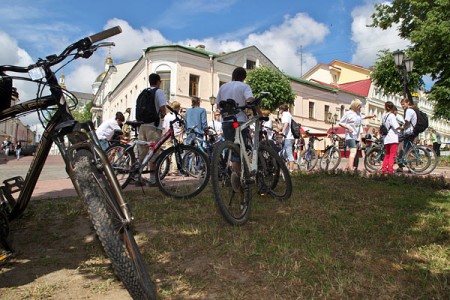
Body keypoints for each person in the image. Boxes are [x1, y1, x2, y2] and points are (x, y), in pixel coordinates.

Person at [136, 73, 167, 185]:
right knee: (154, 153)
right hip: (153, 126)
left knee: (142, 154)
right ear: (158, 81)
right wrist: (163, 115)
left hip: (142, 125)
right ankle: (153, 180)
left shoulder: (144, 91)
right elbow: (163, 108)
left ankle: (138, 177)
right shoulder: (158, 91)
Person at [216, 67, 257, 143]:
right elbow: (250, 100)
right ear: (244, 77)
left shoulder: (223, 86)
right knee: (240, 144)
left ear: (233, 76)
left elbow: (218, 105)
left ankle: (229, 153)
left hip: (226, 121)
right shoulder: (245, 86)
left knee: (229, 144)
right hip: (238, 121)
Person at [338, 99, 375, 171]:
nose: (360, 107)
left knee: (355, 154)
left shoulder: (358, 114)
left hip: (357, 137)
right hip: (350, 136)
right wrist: (348, 127)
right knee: (353, 152)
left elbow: (364, 117)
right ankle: (351, 169)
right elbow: (341, 123)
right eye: (359, 106)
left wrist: (371, 116)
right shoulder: (348, 113)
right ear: (355, 106)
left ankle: (348, 167)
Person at [397, 97, 417, 172]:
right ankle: (408, 166)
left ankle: (406, 166)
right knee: (407, 150)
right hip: (411, 132)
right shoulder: (411, 110)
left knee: (399, 145)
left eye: (403, 104)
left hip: (408, 132)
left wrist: (402, 128)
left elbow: (407, 122)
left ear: (408, 103)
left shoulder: (408, 110)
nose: (402, 106)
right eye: (401, 105)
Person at [381, 101, 400, 174]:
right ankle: (390, 170)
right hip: (393, 137)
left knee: (387, 154)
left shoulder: (384, 116)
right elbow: (396, 126)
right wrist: (402, 127)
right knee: (392, 155)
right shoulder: (392, 116)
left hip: (386, 138)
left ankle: (384, 169)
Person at [279, 104, 296, 172]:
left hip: (288, 137)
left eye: (279, 109)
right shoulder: (289, 114)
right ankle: (285, 169)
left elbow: (286, 123)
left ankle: (291, 170)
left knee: (289, 153)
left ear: (282, 109)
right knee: (284, 153)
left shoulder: (285, 114)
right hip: (291, 137)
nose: (279, 111)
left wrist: (282, 132)